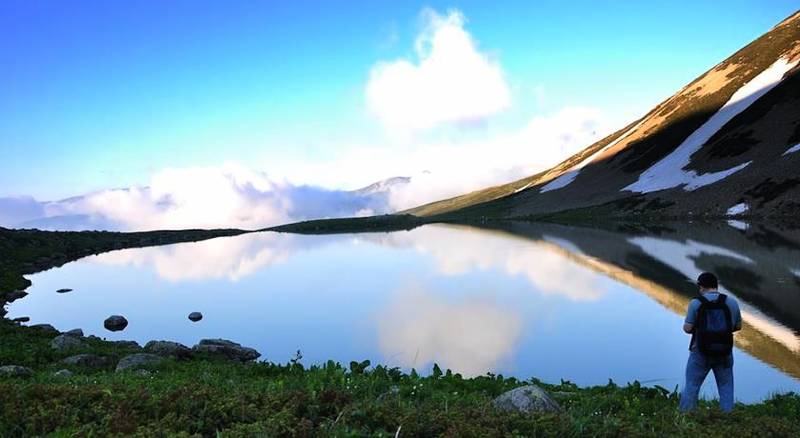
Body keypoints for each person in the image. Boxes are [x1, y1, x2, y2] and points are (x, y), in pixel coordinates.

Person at [679, 272, 742, 412]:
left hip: (700, 352)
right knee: (726, 386)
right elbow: (738, 327)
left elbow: (687, 328)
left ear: (701, 287)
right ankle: (727, 419)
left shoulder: (696, 303)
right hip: (725, 352)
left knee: (692, 385)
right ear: (716, 285)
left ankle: (687, 417)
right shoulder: (732, 302)